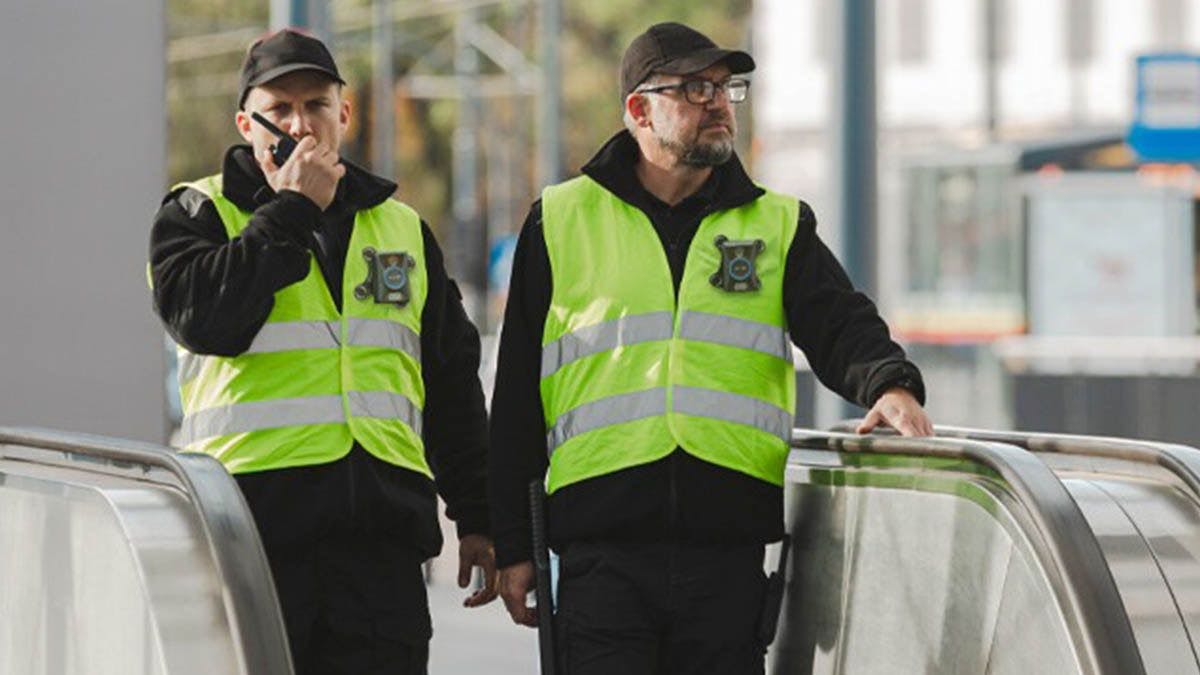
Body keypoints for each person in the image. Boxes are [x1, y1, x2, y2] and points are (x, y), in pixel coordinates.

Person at [489, 21, 933, 675]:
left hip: (725, 559)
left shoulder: (776, 224)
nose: (719, 102)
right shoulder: (559, 219)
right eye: (695, 88)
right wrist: (512, 545)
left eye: (726, 87)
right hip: (601, 556)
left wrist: (890, 384)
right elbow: (517, 395)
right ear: (640, 109)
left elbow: (841, 322)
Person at [148, 28, 496, 675]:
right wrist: (291, 208)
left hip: (381, 553)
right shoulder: (197, 211)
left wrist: (477, 513)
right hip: (254, 543)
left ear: (346, 112)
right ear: (245, 123)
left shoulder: (401, 227)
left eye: (315, 104)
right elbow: (207, 321)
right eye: (278, 109)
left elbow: (450, 381)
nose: (299, 125)